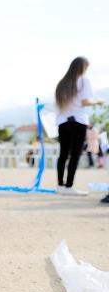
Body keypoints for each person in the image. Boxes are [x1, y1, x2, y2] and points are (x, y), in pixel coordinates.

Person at [55, 57, 104, 196]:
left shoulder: (62, 83)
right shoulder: (83, 81)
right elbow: (84, 102)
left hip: (62, 121)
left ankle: (60, 185)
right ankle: (69, 186)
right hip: (78, 121)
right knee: (75, 155)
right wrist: (97, 102)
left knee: (63, 154)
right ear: (83, 67)